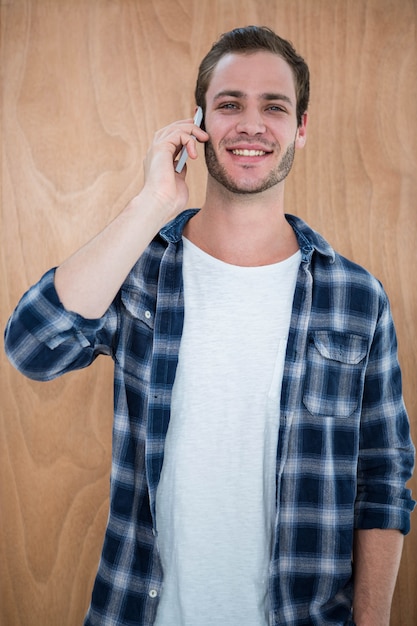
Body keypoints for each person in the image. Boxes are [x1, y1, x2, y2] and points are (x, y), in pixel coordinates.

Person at [4, 25, 415, 626]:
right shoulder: (138, 271)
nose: (251, 125)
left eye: (274, 107)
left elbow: (382, 477)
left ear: (301, 127)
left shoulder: (356, 298)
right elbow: (30, 348)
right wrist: (151, 204)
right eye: (229, 105)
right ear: (197, 121)